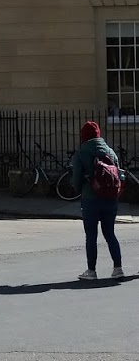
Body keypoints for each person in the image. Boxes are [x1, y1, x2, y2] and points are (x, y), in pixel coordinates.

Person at [71, 120, 125, 280]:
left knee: (91, 236)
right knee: (110, 233)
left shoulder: (81, 153)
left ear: (84, 136)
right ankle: (118, 268)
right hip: (110, 198)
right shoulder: (110, 152)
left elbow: (76, 179)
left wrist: (80, 189)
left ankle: (91, 271)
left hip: (90, 199)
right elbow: (119, 175)